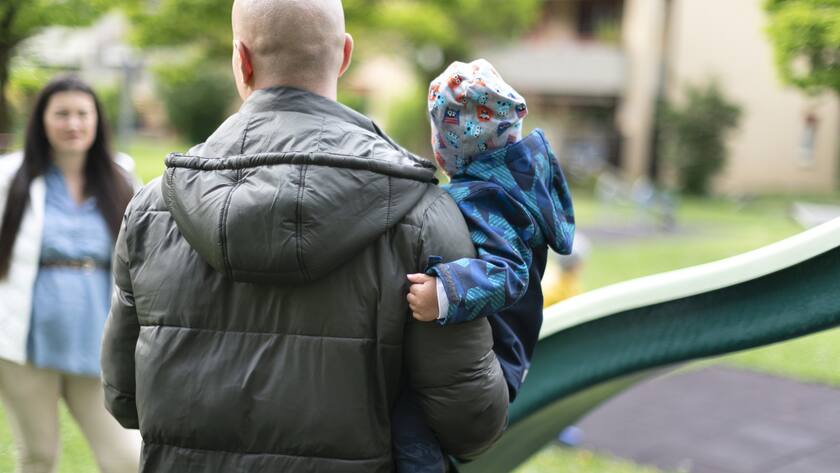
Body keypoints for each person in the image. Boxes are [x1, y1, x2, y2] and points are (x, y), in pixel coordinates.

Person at [99, 1, 509, 472]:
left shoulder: (152, 210)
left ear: (241, 60)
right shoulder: (423, 214)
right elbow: (472, 422)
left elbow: (124, 397)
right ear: (344, 55)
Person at [398, 59, 575, 472]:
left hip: (496, 357)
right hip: (501, 353)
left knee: (409, 428)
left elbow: (509, 272)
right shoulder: (511, 182)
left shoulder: (488, 197)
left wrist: (445, 291)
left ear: (447, 146)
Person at [0, 76, 140, 473]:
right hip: (23, 347)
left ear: (97, 120)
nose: (73, 123)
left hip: (97, 345)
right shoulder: (9, 175)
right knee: (38, 456)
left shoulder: (122, 176)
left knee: (126, 459)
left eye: (82, 113)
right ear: (41, 121)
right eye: (61, 114)